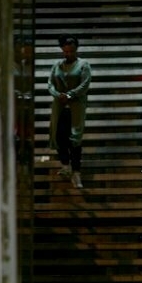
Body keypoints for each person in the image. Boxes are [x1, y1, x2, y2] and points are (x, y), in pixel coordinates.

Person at [47, 35, 92, 189]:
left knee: (75, 138)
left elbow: (84, 84)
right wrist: (57, 94)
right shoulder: (57, 65)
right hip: (59, 105)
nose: (68, 54)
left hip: (76, 105)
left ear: (76, 50)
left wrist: (70, 95)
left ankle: (76, 172)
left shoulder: (83, 65)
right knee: (59, 135)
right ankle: (65, 166)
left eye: (71, 51)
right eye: (65, 51)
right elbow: (50, 83)